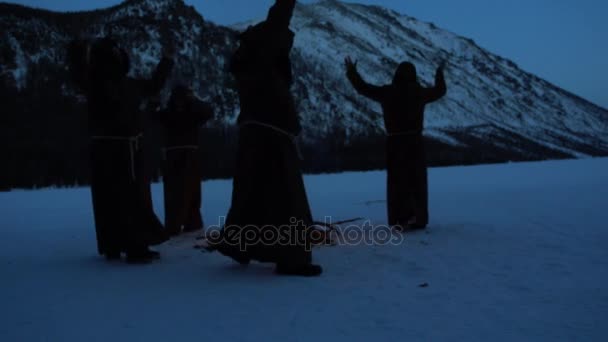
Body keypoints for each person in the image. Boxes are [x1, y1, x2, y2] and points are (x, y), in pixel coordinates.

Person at [209, 0, 322, 277]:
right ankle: (292, 259)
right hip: (272, 136)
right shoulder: (262, 54)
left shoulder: (249, 61)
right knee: (287, 199)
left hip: (255, 135)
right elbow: (278, 19)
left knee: (253, 194)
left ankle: (240, 245)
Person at [67, 37, 173, 263]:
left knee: (109, 198)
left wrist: (166, 61)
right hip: (121, 150)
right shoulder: (98, 82)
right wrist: (77, 51)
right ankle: (134, 248)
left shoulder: (113, 83)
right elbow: (153, 85)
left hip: (114, 149)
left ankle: (114, 245)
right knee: (129, 198)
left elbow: (153, 85)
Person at [345, 57, 447, 231]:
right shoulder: (419, 93)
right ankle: (418, 217)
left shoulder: (388, 92)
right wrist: (439, 74)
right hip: (415, 142)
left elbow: (363, 88)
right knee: (417, 180)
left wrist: (352, 73)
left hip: (395, 142)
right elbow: (440, 90)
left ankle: (400, 218)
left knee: (397, 181)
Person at [157, 85, 213, 236]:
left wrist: (194, 100)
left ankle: (191, 222)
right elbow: (153, 117)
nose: (179, 102)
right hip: (174, 154)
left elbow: (209, 111)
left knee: (191, 190)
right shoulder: (168, 113)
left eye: (182, 98)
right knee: (174, 191)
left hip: (189, 153)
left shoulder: (193, 112)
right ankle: (174, 225)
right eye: (177, 98)